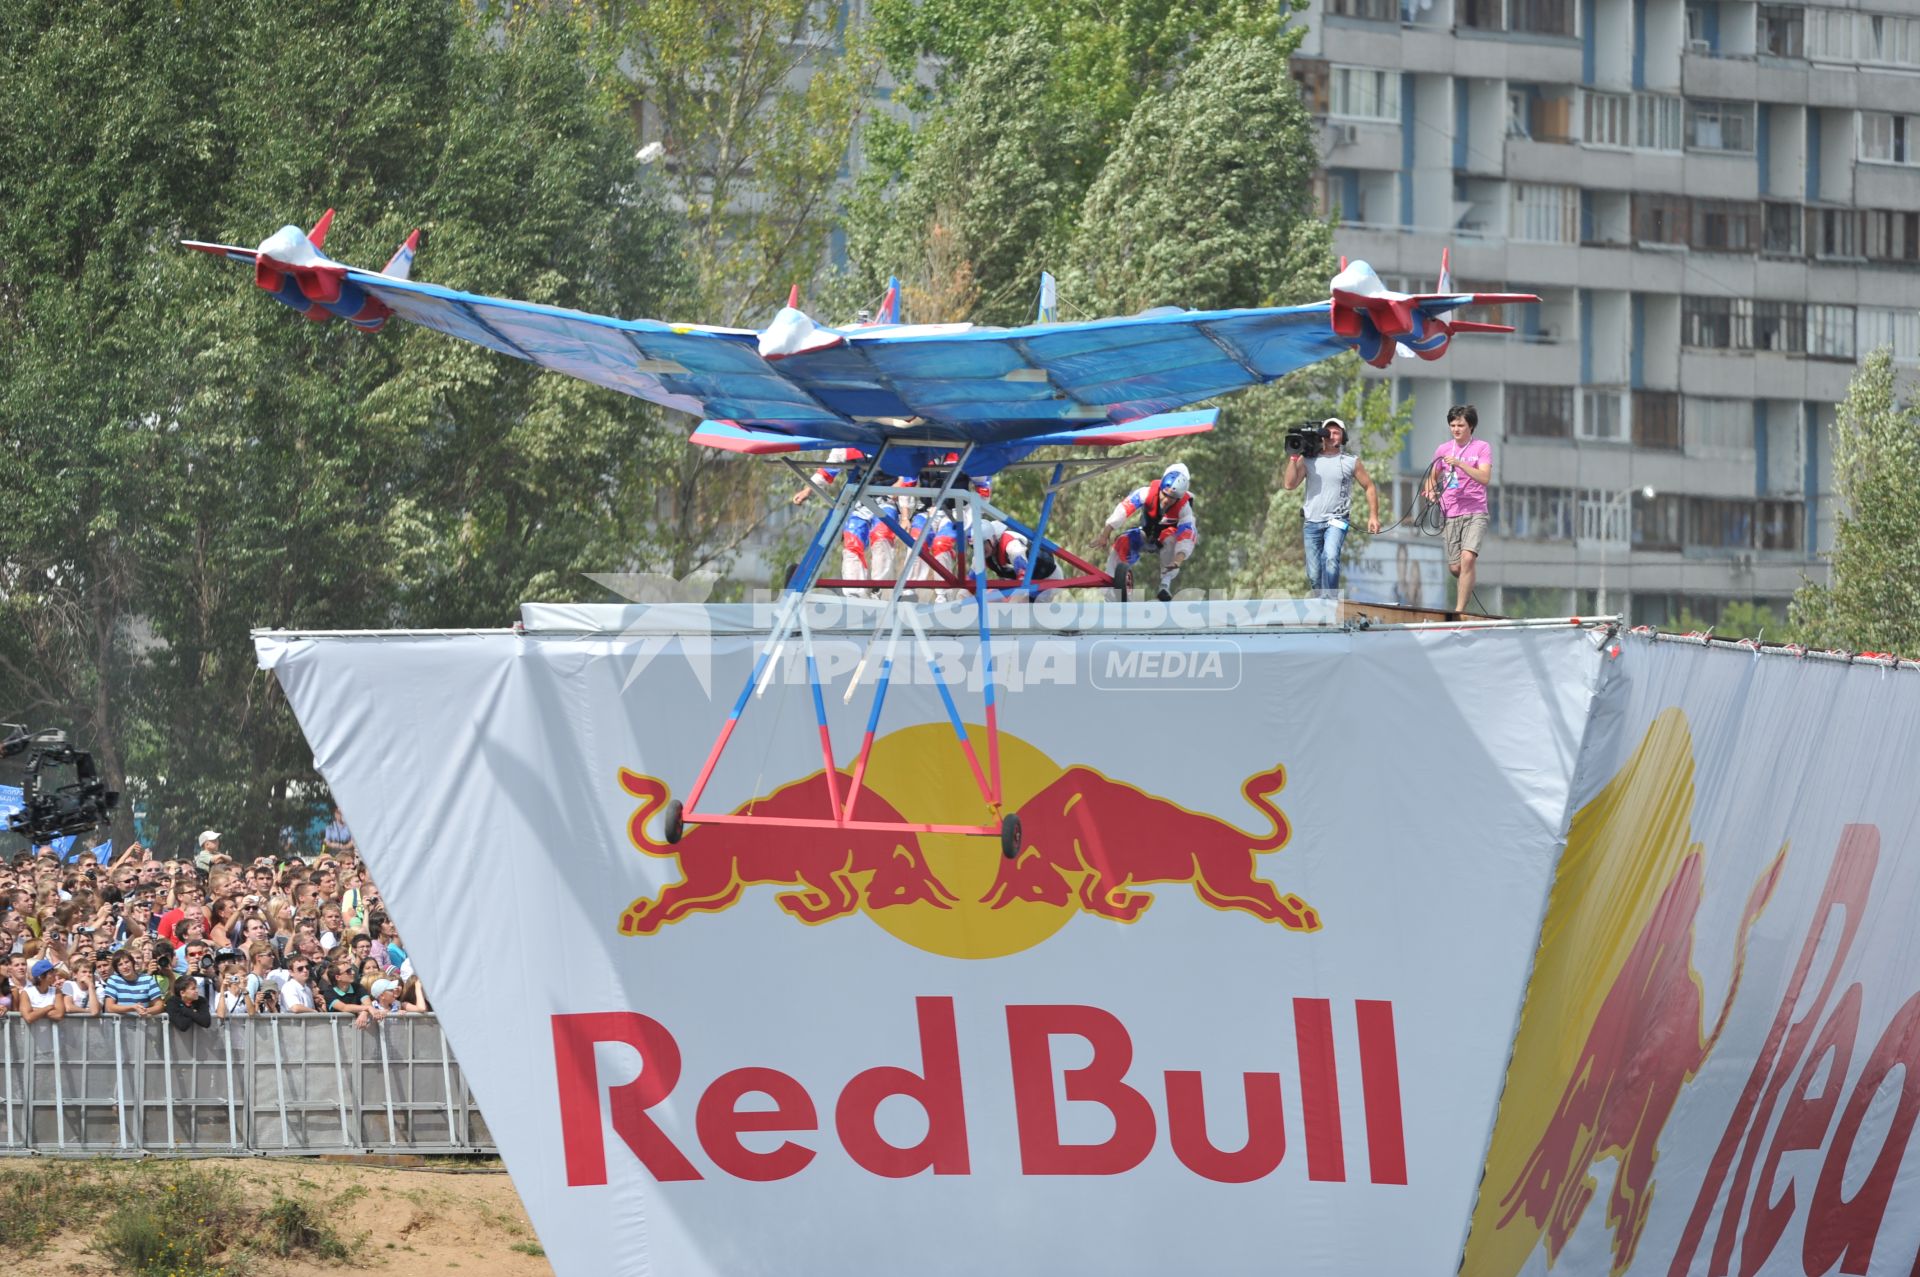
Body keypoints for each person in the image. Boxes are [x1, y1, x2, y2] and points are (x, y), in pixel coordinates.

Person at [1283, 417, 1380, 593]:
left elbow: (1369, 486)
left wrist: (1373, 516)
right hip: (1311, 522)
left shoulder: (1351, 461)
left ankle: (1331, 601)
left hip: (1337, 519)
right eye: (1328, 432)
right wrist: (1294, 456)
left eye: (1336, 432)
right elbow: (1289, 485)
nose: (1332, 435)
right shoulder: (1308, 460)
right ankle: (1321, 604)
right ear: (1321, 435)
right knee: (1313, 574)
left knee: (1330, 556)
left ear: (1343, 437)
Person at [1422, 404, 1492, 613]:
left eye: (1460, 425)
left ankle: (1459, 610)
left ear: (1470, 426)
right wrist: (1431, 492)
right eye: (1452, 425)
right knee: (1456, 568)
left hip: (1476, 511)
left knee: (1468, 558)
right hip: (1451, 512)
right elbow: (1431, 478)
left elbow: (1485, 477)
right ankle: (1466, 578)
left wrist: (1460, 464)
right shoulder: (1443, 450)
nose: (1456, 429)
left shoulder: (1482, 447)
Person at [1101, 462, 1199, 601]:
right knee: (1122, 541)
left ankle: (1165, 586)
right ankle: (1111, 587)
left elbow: (1187, 536)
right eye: (1164, 495)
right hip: (1145, 534)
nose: (1166, 501)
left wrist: (1178, 560)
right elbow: (1123, 509)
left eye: (1172, 499)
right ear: (1160, 488)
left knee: (1172, 541)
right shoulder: (1145, 493)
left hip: (1167, 540)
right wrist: (1105, 534)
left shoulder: (1185, 508)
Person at [101, 950, 164, 1016]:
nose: (125, 967)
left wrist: (146, 1011)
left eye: (127, 962)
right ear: (117, 969)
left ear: (132, 963)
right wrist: (132, 1008)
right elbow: (109, 1007)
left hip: (143, 1024)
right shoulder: (113, 980)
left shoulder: (148, 979)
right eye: (120, 964)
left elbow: (160, 1005)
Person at [21, 959, 64, 1024]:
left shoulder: (57, 991)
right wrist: (49, 1007)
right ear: (41, 976)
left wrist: (34, 1010)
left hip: (53, 1033)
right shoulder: (26, 992)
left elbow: (59, 1015)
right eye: (51, 972)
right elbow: (28, 1018)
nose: (54, 974)